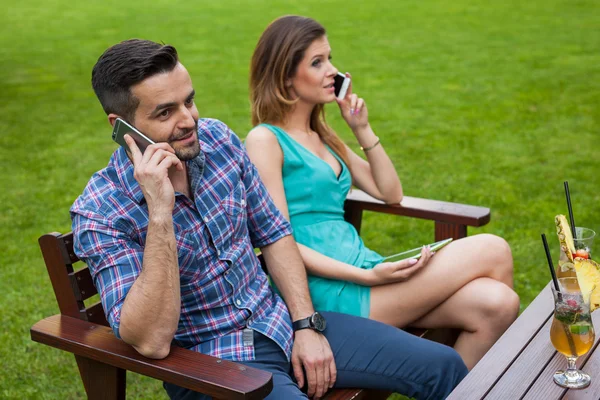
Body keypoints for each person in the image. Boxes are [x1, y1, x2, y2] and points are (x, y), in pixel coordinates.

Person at [71, 39, 467, 400]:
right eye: (165, 112)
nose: (189, 119)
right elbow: (152, 342)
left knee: (446, 367)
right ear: (119, 126)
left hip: (282, 322)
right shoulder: (102, 211)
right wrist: (160, 213)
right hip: (214, 367)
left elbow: (275, 233)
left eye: (189, 101)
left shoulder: (219, 141)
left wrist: (306, 325)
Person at [246, 15, 520, 370]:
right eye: (317, 62)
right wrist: (367, 277)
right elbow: (280, 241)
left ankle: (447, 386)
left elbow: (390, 192)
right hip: (330, 293)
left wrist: (361, 128)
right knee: (493, 249)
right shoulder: (265, 140)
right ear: (285, 76)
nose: (333, 70)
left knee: (498, 304)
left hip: (368, 270)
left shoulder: (325, 138)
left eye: (330, 58)